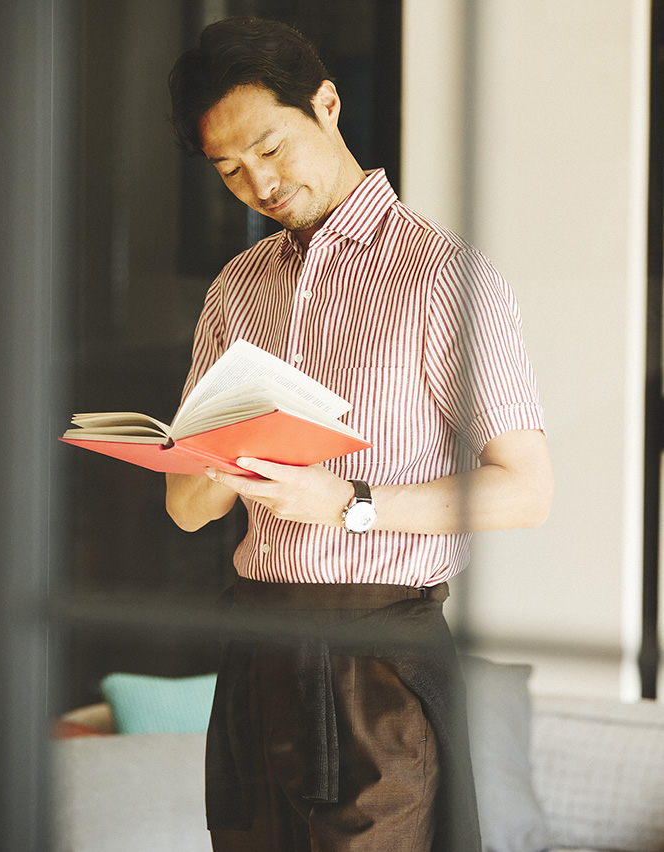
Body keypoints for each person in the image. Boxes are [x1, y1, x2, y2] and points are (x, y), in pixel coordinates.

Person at [166, 16, 553, 852]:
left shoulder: (443, 274)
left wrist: (350, 501)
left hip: (378, 657)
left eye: (270, 148)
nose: (258, 183)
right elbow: (187, 508)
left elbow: (526, 489)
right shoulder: (237, 289)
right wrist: (227, 461)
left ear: (328, 104)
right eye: (229, 169)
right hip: (256, 649)